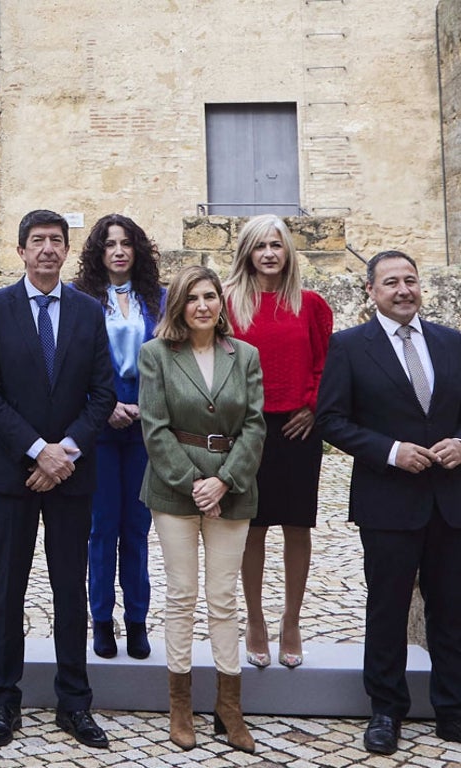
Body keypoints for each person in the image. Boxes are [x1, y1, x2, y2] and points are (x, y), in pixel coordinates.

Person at [0, 210, 116, 749]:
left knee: (69, 590)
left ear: (67, 250)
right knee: (7, 589)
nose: (48, 249)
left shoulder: (88, 311)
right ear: (21, 251)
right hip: (13, 474)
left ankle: (74, 702)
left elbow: (102, 393)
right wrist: (37, 451)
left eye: (57, 240)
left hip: (71, 476)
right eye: (38, 241)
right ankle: (3, 701)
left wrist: (64, 454)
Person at [317, 250, 461, 756]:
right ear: (371, 291)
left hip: (451, 500)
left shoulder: (452, 341)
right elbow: (331, 420)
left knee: (452, 608)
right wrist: (392, 451)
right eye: (391, 282)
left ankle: (453, 709)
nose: (403, 290)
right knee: (387, 608)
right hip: (387, 499)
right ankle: (385, 710)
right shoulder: (349, 347)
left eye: (410, 280)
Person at [138, 265, 265, 753]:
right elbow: (154, 426)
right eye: (192, 298)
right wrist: (195, 483)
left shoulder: (245, 355)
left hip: (232, 486)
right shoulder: (156, 354)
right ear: (178, 306)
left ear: (221, 302)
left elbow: (254, 425)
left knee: (223, 598)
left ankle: (229, 707)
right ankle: (181, 705)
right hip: (175, 489)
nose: (203, 305)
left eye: (210, 296)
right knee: (182, 594)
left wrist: (224, 480)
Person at [222, 215, 332, 670]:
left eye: (276, 245)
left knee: (296, 526)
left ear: (288, 251)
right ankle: (255, 620)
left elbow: (326, 364)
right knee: (251, 527)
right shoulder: (228, 302)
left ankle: (292, 620)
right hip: (245, 429)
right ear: (246, 252)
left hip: (297, 428)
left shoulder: (311, 304)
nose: (269, 253)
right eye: (260, 246)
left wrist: (313, 406)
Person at [72, 213, 163, 660]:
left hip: (146, 427)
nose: (119, 251)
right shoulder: (80, 299)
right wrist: (104, 405)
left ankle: (137, 621)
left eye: (126, 243)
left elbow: (174, 360)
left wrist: (148, 406)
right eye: (110, 244)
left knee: (137, 528)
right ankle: (103, 621)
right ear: (98, 252)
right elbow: (72, 363)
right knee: (102, 527)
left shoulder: (159, 299)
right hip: (100, 426)